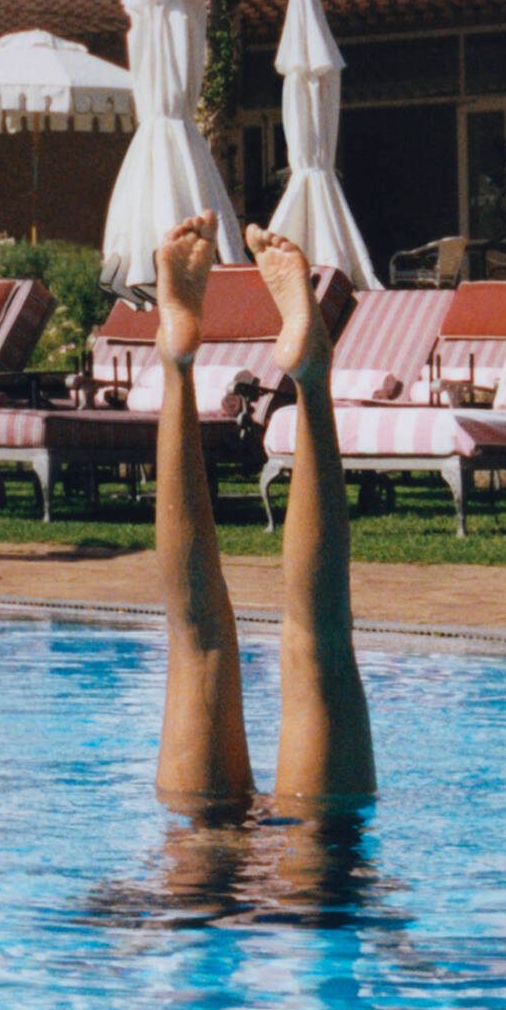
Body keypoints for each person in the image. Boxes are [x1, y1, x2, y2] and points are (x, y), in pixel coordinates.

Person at [150, 214, 376, 815]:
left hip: (197, 878)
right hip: (320, 879)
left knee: (195, 639)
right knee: (318, 638)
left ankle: (176, 365)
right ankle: (312, 381)